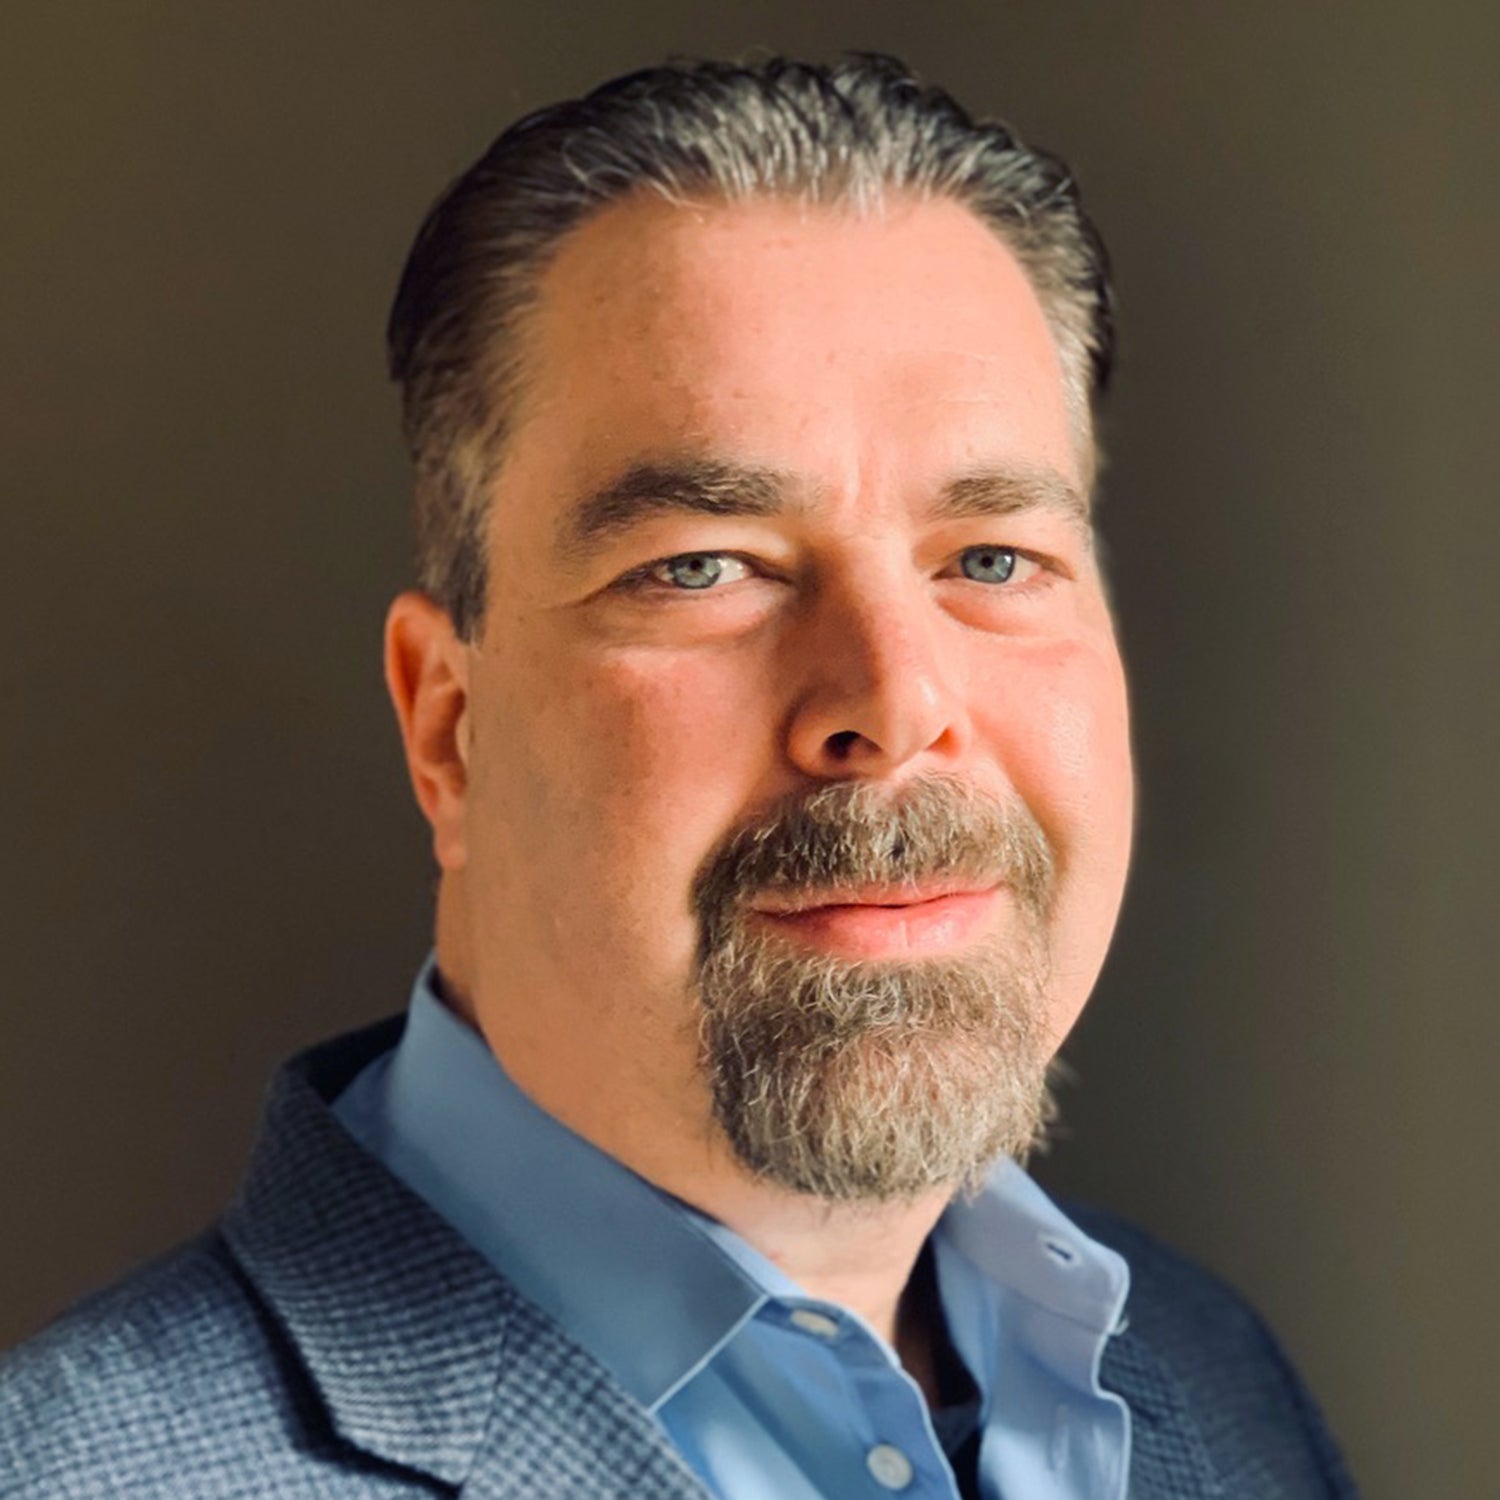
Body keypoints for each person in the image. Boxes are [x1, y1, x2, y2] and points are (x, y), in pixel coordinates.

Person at [0, 54, 1360, 1500]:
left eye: (991, 558)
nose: (897, 703)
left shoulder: (1215, 1383)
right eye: (705, 567)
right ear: (448, 728)